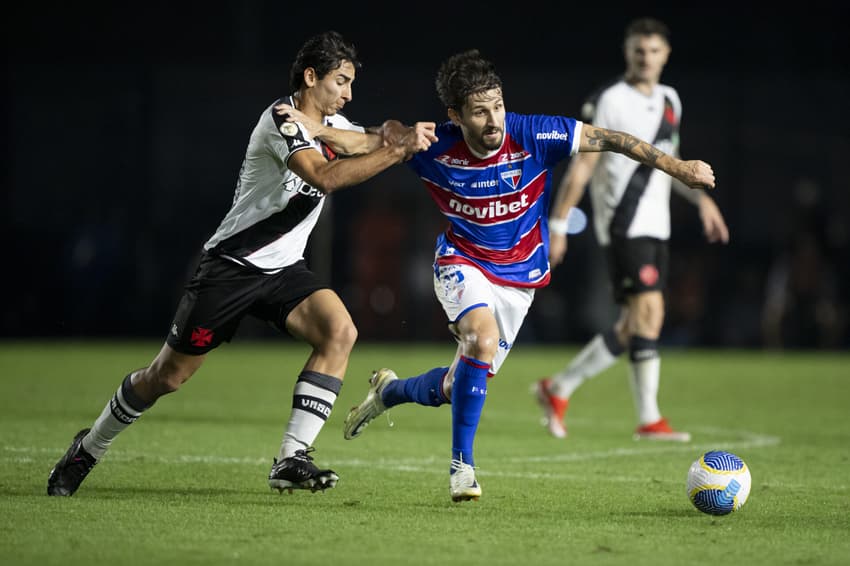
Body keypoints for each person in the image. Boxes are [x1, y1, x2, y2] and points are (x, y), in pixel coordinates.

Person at [278, 47, 715, 502]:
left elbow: (615, 141)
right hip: (461, 263)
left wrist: (680, 169)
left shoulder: (535, 133)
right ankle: (461, 468)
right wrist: (313, 127)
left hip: (519, 281)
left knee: (456, 384)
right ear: (455, 116)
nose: (493, 122)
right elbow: (362, 142)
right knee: (480, 341)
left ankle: (390, 392)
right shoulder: (433, 145)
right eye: (479, 112)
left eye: (498, 107)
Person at [46, 30, 437, 497]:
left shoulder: (331, 123)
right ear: (310, 77)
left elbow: (374, 134)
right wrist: (395, 149)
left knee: (340, 330)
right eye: (340, 81)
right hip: (231, 266)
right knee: (167, 376)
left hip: (284, 270)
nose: (348, 93)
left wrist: (396, 135)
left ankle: (292, 458)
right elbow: (325, 176)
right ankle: (87, 449)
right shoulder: (280, 121)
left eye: (351, 83)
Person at [534, 17, 729, 441]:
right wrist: (559, 224)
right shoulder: (609, 99)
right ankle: (649, 419)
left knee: (633, 323)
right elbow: (582, 166)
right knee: (650, 312)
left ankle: (558, 387)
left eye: (654, 50)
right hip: (622, 224)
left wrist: (703, 200)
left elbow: (672, 164)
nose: (646, 58)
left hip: (657, 226)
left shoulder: (671, 100)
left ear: (666, 55)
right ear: (628, 53)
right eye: (639, 50)